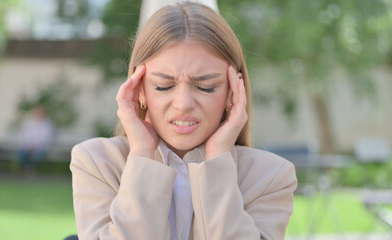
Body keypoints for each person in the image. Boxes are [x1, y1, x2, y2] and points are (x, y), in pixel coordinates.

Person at [70, 2, 297, 240]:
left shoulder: (271, 177)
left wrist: (218, 157)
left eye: (205, 87)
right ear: (139, 90)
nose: (183, 103)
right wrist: (142, 155)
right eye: (163, 86)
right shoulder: (97, 164)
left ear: (233, 92)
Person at [17, 104, 54, 173]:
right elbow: (25, 136)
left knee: (36, 156)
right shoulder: (30, 123)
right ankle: (28, 171)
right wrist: (28, 146)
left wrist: (35, 146)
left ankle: (30, 171)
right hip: (27, 147)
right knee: (21, 154)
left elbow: (45, 139)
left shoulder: (47, 125)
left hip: (40, 149)